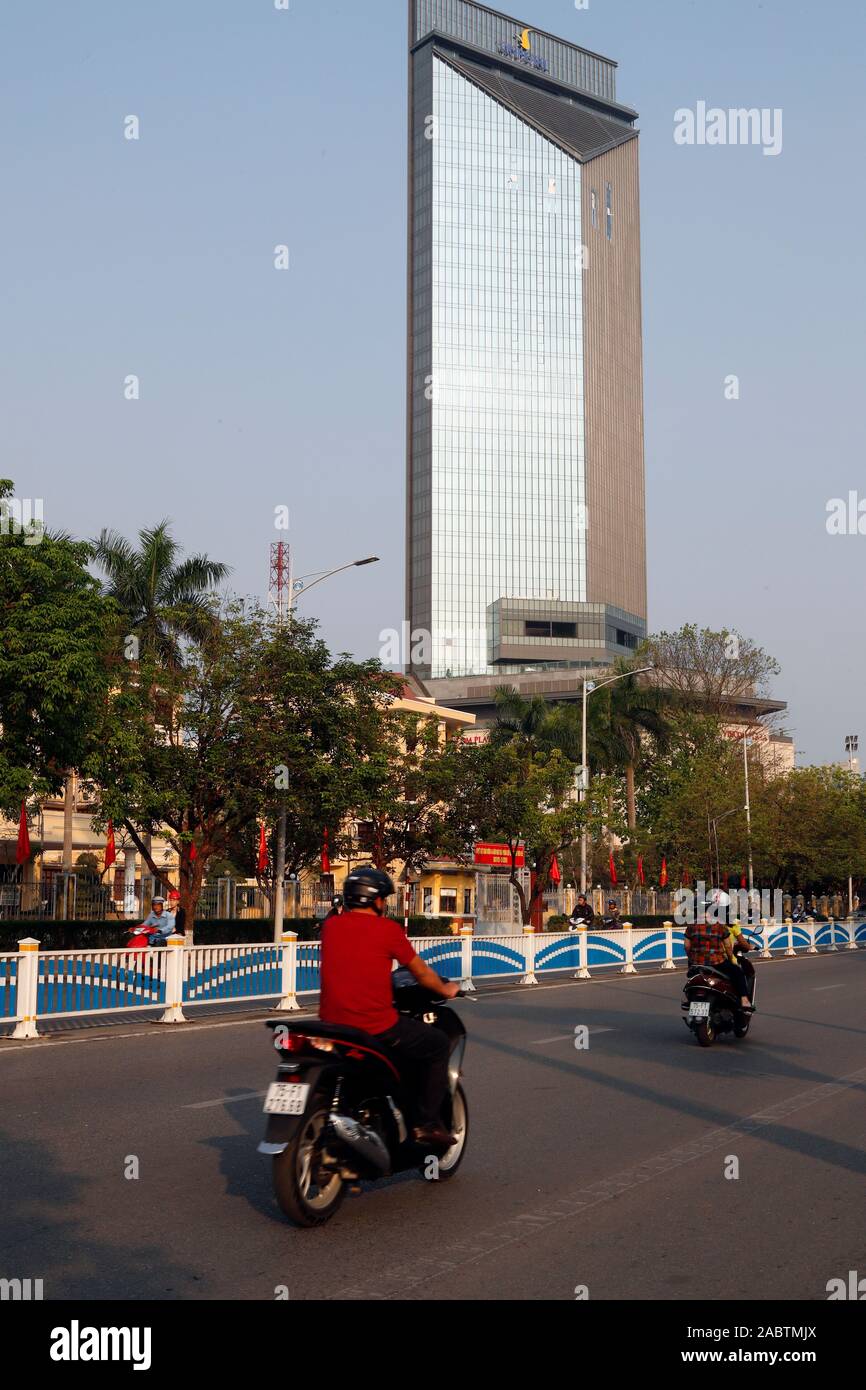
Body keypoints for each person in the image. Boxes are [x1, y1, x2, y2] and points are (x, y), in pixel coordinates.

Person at [318, 865, 460, 1148]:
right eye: (383, 898)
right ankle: (427, 1124)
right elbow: (420, 973)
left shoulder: (331, 925)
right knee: (437, 1045)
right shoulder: (387, 930)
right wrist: (446, 988)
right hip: (374, 1026)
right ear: (376, 900)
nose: (385, 904)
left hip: (331, 1025)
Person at [684, 916, 752, 1011]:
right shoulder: (720, 925)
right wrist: (730, 959)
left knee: (692, 978)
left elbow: (687, 946)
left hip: (697, 963)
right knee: (737, 971)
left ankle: (690, 1000)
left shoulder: (691, 925)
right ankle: (744, 999)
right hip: (716, 962)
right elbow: (728, 946)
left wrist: (692, 959)